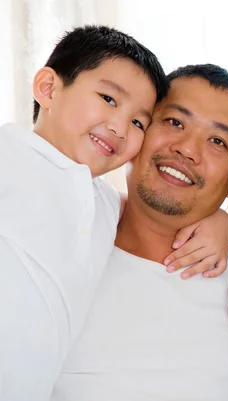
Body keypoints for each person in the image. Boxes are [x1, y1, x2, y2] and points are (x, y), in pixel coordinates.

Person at [51, 64, 228, 401]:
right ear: (138, 129)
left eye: (217, 141)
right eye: (175, 122)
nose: (187, 149)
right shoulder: (63, 232)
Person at [0, 25, 169, 401]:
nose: (120, 127)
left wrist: (218, 222)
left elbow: (157, 220)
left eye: (139, 122)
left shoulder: (105, 203)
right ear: (48, 88)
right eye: (109, 99)